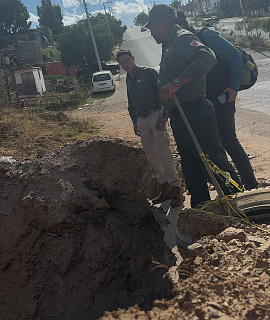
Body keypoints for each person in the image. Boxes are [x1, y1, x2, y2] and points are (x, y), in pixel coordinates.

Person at [145, 4, 243, 208]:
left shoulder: (181, 38)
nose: (151, 33)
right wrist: (166, 110)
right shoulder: (169, 44)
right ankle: (201, 209)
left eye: (151, 28)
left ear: (158, 23)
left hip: (195, 112)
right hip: (180, 114)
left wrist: (178, 82)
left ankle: (238, 204)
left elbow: (207, 57)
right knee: (190, 166)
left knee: (214, 162)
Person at [175, 11, 258, 191]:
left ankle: (251, 185)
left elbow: (235, 56)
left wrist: (234, 86)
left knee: (229, 140)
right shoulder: (184, 46)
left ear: (181, 26)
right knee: (216, 143)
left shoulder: (206, 35)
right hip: (208, 99)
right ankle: (230, 183)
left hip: (224, 95)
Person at [116, 49, 184, 207]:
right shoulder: (128, 79)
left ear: (133, 58)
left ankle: (176, 189)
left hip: (156, 116)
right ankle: (165, 187)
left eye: (127, 61)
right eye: (122, 63)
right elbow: (131, 103)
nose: (125, 65)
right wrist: (135, 121)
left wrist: (164, 115)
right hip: (142, 120)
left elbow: (164, 94)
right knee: (152, 157)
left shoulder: (148, 73)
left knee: (164, 153)